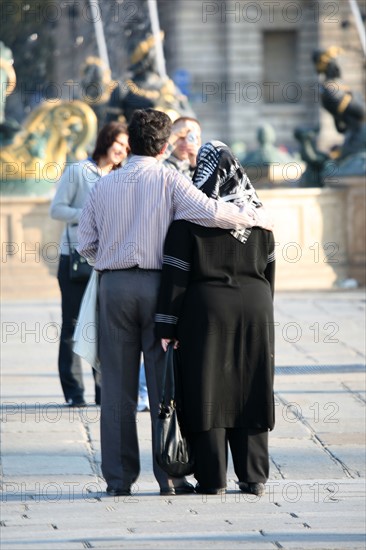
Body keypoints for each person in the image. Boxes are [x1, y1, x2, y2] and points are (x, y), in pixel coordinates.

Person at [77, 108, 273, 497]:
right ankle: (169, 475)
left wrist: (111, 264)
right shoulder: (169, 180)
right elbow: (210, 212)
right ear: (165, 145)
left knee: (116, 388)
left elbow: (85, 244)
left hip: (113, 289)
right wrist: (254, 217)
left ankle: (119, 480)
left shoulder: (102, 185)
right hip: (157, 288)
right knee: (163, 384)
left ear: (128, 142)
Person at [155, 141, 276, 496]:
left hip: (204, 311)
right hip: (255, 307)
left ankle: (213, 479)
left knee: (206, 388)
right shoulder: (260, 220)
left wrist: (166, 325)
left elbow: (176, 278)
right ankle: (253, 478)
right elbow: (270, 274)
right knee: (252, 386)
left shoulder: (189, 220)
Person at [50, 121, 129, 407]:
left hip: (108, 262)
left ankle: (102, 390)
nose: (122, 150)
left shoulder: (123, 177)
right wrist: (89, 214)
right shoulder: (78, 171)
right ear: (107, 141)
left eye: (127, 147)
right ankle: (73, 393)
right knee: (72, 326)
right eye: (119, 143)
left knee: (105, 327)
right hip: (75, 261)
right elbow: (56, 209)